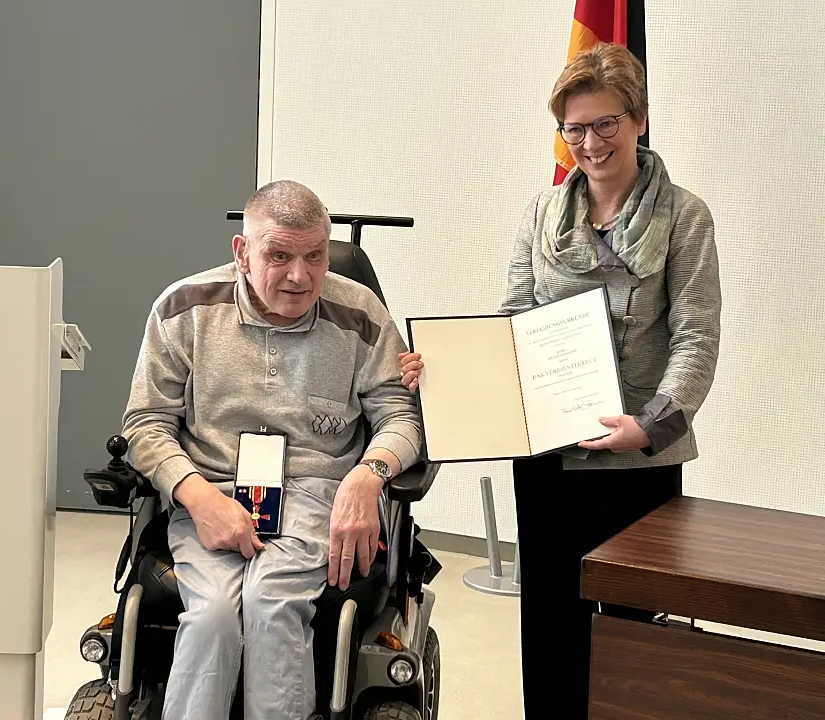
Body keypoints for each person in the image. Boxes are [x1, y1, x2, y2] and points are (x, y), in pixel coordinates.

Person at [400, 42, 721, 719]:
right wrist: (446, 369)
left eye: (605, 123)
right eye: (573, 128)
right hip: (548, 456)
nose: (589, 142)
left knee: (632, 633)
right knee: (549, 625)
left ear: (637, 119)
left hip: (638, 456)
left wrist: (649, 426)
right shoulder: (541, 215)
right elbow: (512, 323)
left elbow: (696, 338)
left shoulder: (686, 216)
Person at [121, 180, 422, 720]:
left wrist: (368, 475)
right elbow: (145, 423)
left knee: (270, 602)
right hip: (209, 489)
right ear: (242, 253)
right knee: (212, 613)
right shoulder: (182, 310)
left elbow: (400, 416)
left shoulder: (359, 313)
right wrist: (198, 498)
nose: (300, 276)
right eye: (278, 255)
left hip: (316, 491)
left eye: (314, 256)